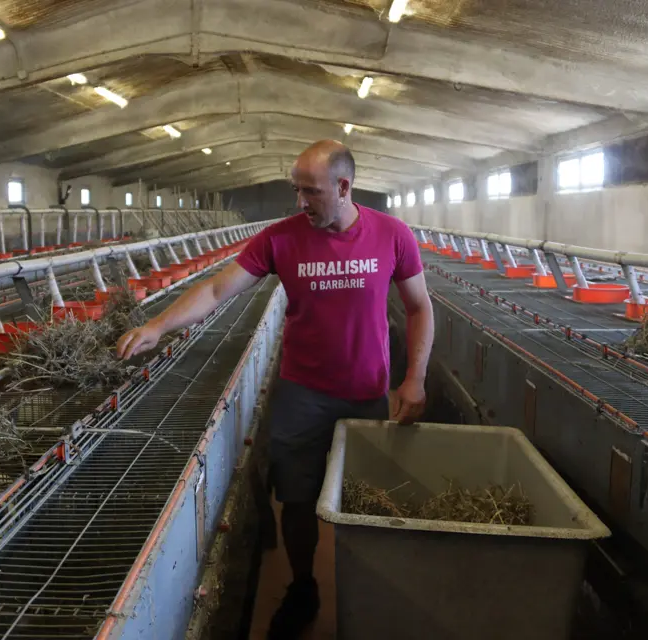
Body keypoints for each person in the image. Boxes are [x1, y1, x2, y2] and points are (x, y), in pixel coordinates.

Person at [116, 139, 434, 639]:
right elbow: (220, 288)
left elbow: (419, 308)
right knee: (298, 499)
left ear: (344, 187)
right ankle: (304, 585)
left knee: (367, 501)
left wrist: (414, 377)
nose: (300, 202)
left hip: (367, 393)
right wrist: (160, 324)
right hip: (301, 394)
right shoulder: (280, 238)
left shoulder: (392, 235)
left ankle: (370, 590)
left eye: (310, 191)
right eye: (296, 190)